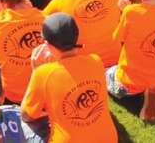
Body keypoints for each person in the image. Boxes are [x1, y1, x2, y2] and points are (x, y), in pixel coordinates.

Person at [20, 12, 118, 140]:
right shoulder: (96, 61)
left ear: (47, 44)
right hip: (109, 140)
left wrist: (35, 72)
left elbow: (27, 116)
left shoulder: (42, 74)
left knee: (18, 119)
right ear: (77, 35)